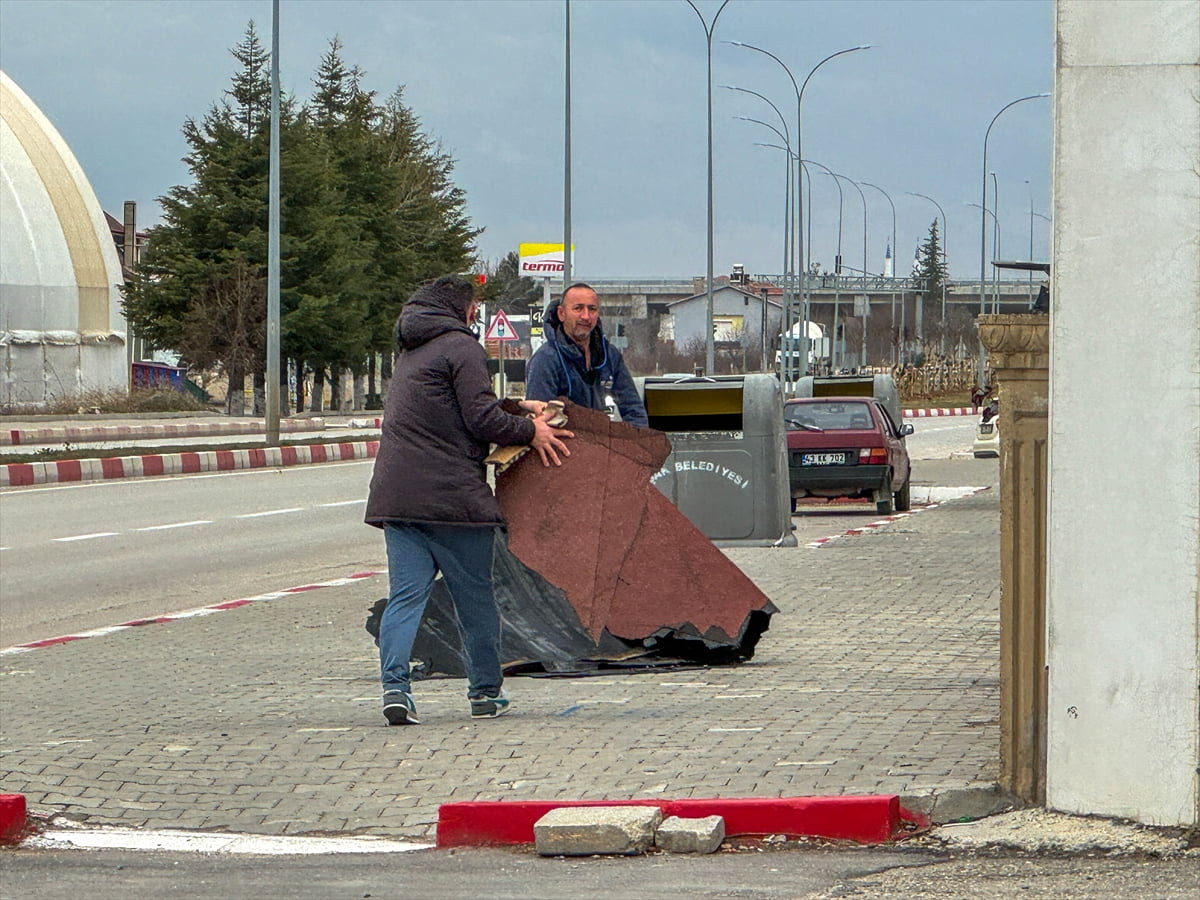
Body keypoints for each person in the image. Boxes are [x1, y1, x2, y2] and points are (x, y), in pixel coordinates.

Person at [365, 275, 572, 726]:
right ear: (461, 307)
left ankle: (396, 689)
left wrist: (518, 407)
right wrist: (530, 431)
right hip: (452, 500)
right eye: (475, 304)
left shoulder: (414, 351)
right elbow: (479, 418)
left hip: (398, 498)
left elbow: (455, 408)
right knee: (475, 600)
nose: (477, 312)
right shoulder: (462, 347)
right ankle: (484, 694)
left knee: (405, 597)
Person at [525, 282, 648, 426]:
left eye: (592, 309)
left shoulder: (609, 355)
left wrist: (639, 440)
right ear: (561, 313)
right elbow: (539, 420)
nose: (586, 316)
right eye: (578, 308)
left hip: (598, 441)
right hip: (563, 443)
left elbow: (632, 407)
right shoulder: (545, 360)